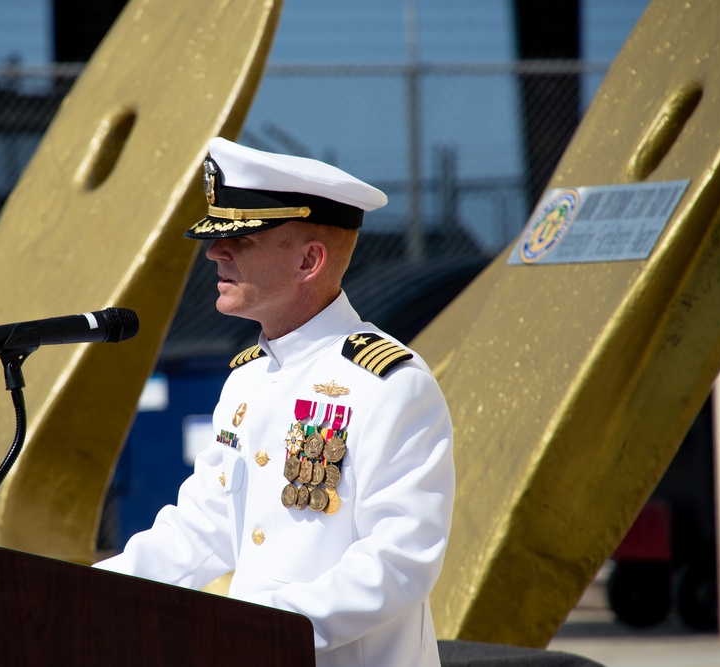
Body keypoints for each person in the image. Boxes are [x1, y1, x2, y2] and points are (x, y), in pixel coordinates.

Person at [95, 137, 455, 667]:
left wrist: (261, 630)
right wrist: (75, 592)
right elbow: (200, 531)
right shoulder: (246, 380)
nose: (216, 251)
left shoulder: (390, 384)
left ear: (310, 260)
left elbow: (399, 562)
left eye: (241, 239)